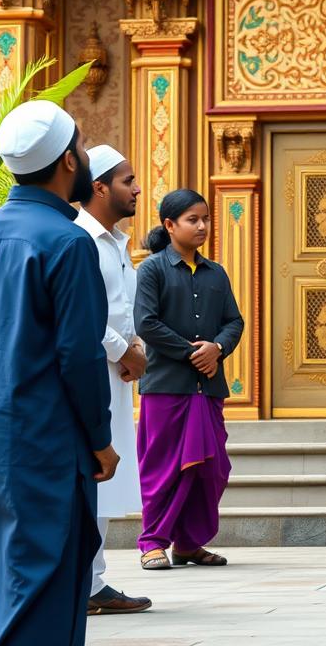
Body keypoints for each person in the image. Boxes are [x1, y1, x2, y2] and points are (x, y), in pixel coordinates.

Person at [0, 100, 118, 646]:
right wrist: (99, 439)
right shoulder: (67, 242)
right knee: (43, 590)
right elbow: (80, 354)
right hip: (46, 445)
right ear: (70, 161)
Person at [133, 189, 244, 571]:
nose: (202, 226)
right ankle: (152, 542)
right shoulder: (152, 269)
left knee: (211, 469)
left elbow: (234, 321)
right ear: (170, 225)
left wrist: (217, 348)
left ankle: (189, 544)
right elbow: (146, 323)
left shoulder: (216, 273)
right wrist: (192, 354)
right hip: (167, 387)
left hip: (208, 388)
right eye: (192, 220)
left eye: (206, 219)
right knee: (164, 468)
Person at [74, 145, 152, 616]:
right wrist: (124, 350)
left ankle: (93, 582)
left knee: (107, 478)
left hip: (117, 376)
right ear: (99, 186)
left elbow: (123, 311)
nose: (137, 188)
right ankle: (83, 583)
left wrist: (135, 347)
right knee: (93, 473)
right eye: (127, 180)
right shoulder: (79, 240)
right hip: (90, 371)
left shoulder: (117, 243)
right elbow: (81, 313)